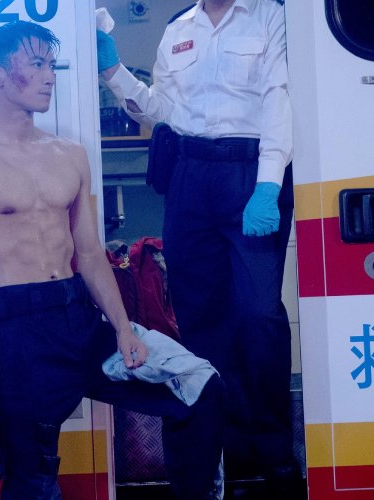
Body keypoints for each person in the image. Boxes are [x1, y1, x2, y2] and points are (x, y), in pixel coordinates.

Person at [0, 21, 224, 500]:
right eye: (36, 64)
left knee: (198, 386)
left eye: (52, 65)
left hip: (78, 320)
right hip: (15, 335)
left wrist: (124, 328)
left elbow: (88, 254)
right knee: (34, 478)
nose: (50, 76)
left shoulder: (69, 155)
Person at [98, 0, 301, 492]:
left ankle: (275, 454)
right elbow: (162, 110)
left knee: (258, 316)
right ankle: (222, 452)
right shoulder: (177, 28)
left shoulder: (271, 16)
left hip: (249, 169)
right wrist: (114, 72)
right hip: (189, 177)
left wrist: (268, 183)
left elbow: (279, 99)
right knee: (200, 319)